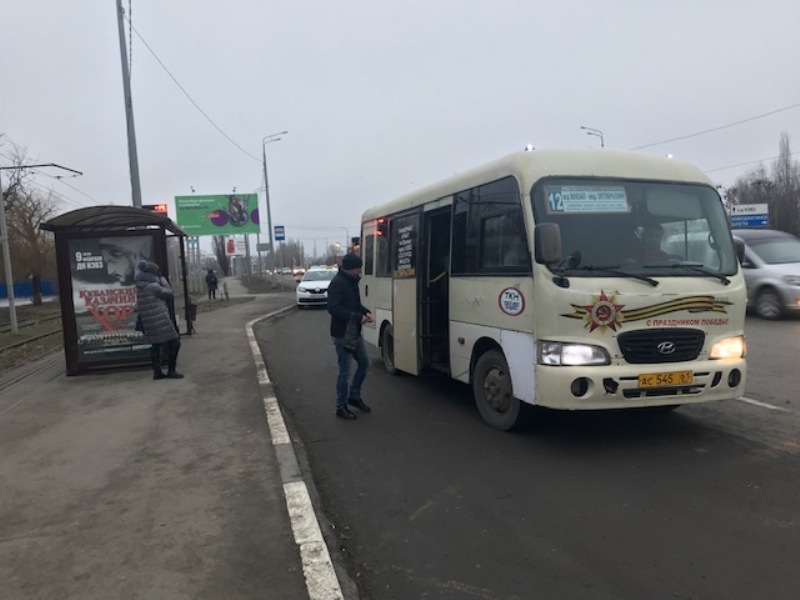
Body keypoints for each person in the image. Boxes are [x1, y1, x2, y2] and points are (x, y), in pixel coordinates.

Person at [327, 252, 373, 420]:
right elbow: (333, 308)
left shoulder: (352, 282)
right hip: (341, 333)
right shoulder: (337, 283)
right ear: (351, 268)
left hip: (353, 331)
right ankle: (340, 407)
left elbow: (353, 305)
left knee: (365, 363)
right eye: (358, 268)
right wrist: (356, 317)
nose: (359, 271)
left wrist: (364, 312)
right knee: (345, 371)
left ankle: (353, 396)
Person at [135, 260, 183, 380]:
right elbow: (169, 293)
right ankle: (171, 370)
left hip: (149, 321)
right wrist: (164, 281)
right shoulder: (153, 286)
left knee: (156, 345)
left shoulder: (140, 287)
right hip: (160, 318)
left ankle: (157, 372)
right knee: (175, 343)